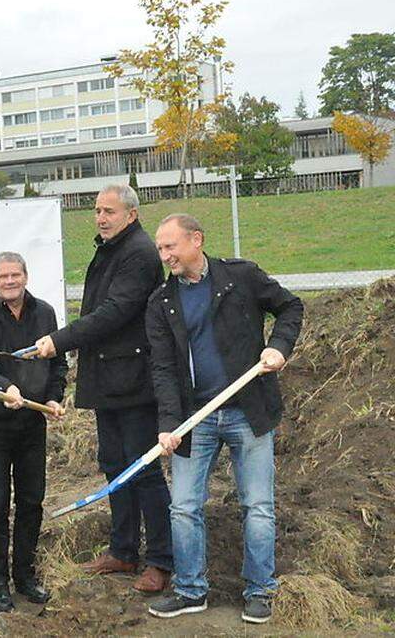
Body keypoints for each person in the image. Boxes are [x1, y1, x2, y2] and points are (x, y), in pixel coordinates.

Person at [144, 214, 303, 625]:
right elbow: (162, 369)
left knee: (258, 505)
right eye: (161, 249)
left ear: (196, 240)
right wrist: (168, 422)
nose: (165, 257)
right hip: (195, 417)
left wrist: (279, 346)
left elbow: (290, 306)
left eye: (170, 247)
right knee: (183, 506)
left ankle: (259, 591)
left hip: (248, 409)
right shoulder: (162, 301)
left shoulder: (241, 277)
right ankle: (191, 590)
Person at [33, 184, 174, 593]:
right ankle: (123, 550)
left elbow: (115, 312)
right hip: (109, 378)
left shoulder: (139, 253)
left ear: (131, 214)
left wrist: (60, 340)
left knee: (142, 469)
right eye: (97, 210)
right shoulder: (111, 248)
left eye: (109, 211)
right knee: (115, 465)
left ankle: (161, 561)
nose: (100, 217)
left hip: (133, 380)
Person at [0, 252, 66, 614]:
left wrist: (53, 398)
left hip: (31, 422)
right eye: (3, 276)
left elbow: (58, 363)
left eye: (16, 275)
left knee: (32, 500)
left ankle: (25, 575)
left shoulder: (45, 313)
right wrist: (6, 387)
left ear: (26, 276)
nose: (10, 281)